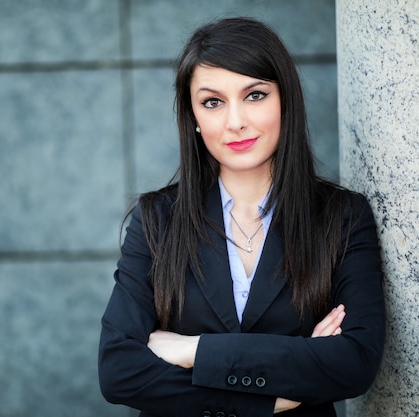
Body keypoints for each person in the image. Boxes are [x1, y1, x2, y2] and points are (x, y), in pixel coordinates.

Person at [98, 17, 384, 417]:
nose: (235, 122)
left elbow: (354, 364)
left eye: (254, 95)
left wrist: (192, 350)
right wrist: (275, 391)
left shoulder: (342, 217)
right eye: (212, 102)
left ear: (286, 99)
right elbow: (119, 371)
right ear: (194, 118)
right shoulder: (158, 219)